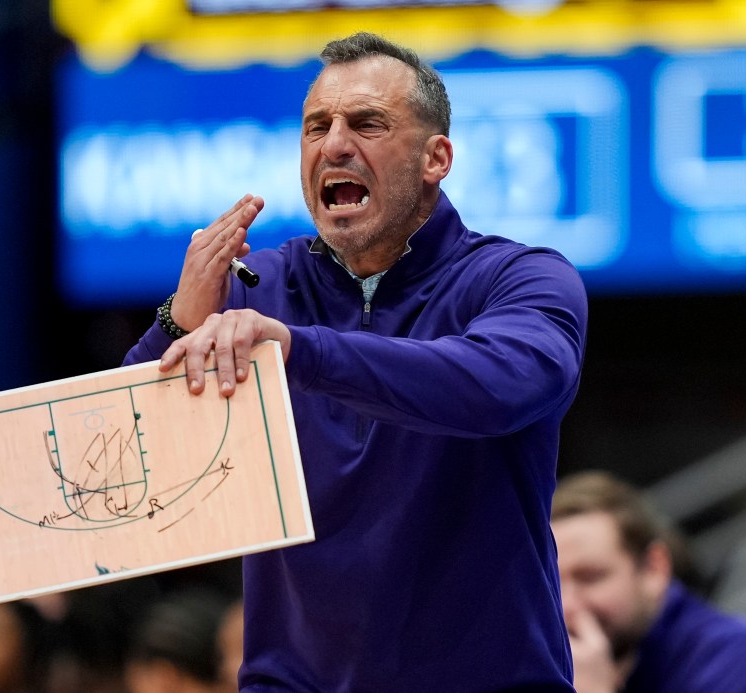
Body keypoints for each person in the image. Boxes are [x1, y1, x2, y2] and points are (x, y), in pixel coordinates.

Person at [123, 31, 588, 691]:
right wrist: (180, 319)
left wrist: (301, 349)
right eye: (317, 127)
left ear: (436, 158)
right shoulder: (259, 286)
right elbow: (118, 464)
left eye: (367, 123)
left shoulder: (520, 278)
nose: (335, 144)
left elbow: (504, 382)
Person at [551, 470, 746, 693]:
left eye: (591, 577)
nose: (567, 606)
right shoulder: (614, 669)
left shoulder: (744, 659)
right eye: (552, 585)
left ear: (654, 568)